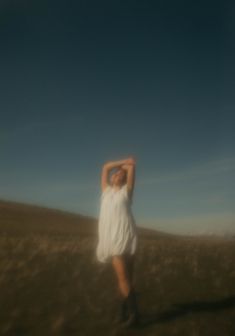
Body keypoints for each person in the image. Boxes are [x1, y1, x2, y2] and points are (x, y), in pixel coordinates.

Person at [96, 157, 140, 328]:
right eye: (116, 174)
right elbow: (105, 166)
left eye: (121, 174)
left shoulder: (126, 192)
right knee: (123, 279)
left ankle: (131, 315)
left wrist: (127, 168)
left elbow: (131, 169)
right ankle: (126, 314)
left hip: (126, 236)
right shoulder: (105, 191)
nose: (117, 175)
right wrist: (122, 162)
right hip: (112, 239)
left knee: (126, 279)